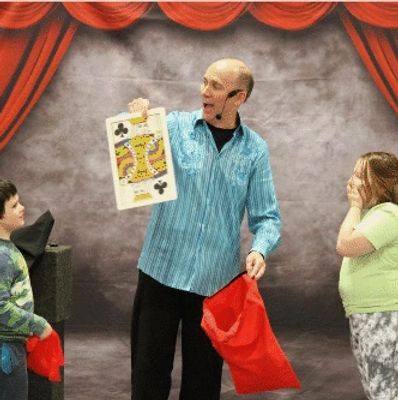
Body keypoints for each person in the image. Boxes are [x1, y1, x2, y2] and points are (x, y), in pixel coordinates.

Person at [129, 58, 281, 400]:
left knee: (203, 383)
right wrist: (140, 125)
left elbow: (267, 217)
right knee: (147, 377)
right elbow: (136, 174)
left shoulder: (255, 150)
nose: (204, 91)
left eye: (215, 86)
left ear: (238, 97)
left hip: (215, 284)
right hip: (160, 272)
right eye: (204, 82)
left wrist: (260, 249)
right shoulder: (173, 127)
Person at [337, 152, 398, 400]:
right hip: (368, 313)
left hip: (383, 313)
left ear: (379, 182)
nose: (353, 181)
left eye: (360, 175)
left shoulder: (389, 213)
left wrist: (354, 206)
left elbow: (346, 245)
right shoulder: (372, 214)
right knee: (377, 387)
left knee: (384, 390)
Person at [0, 179, 52, 400]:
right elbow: (1, 307)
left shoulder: (8, 249)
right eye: (13, 206)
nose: (22, 208)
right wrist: (38, 324)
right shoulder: (3, 257)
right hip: (7, 348)